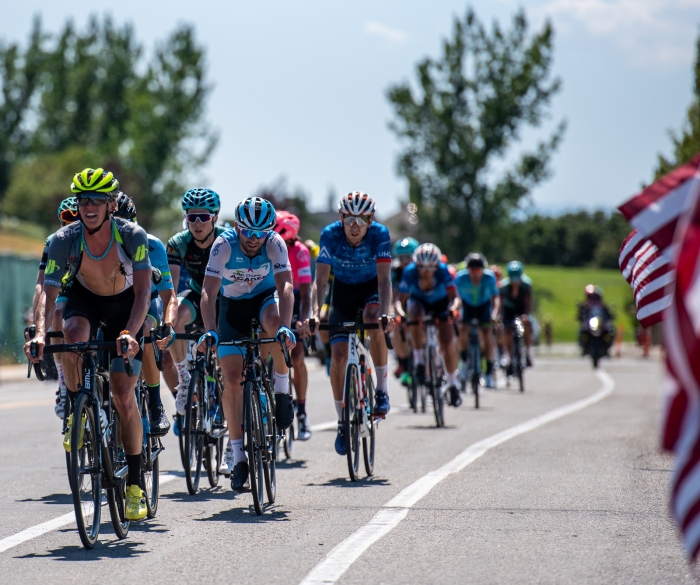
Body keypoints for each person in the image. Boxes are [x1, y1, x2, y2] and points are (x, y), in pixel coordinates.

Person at [25, 168, 151, 521]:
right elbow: (48, 294)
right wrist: (38, 333)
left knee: (123, 395)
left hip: (127, 305)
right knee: (72, 336)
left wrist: (129, 332)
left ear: (111, 204)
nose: (89, 207)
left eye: (97, 200)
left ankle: (135, 485)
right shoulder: (64, 239)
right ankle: (77, 410)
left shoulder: (132, 236)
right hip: (88, 300)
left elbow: (144, 292)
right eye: (83, 201)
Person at [198, 197, 296, 492]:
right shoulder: (223, 245)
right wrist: (211, 331)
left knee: (274, 324)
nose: (253, 239)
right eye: (247, 232)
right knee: (230, 380)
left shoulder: (274, 243)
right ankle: (239, 457)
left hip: (264, 299)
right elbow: (208, 292)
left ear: (269, 231)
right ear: (237, 227)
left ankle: (281, 390)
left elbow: (286, 286)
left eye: (260, 233)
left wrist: (286, 329)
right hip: (232, 307)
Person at [303, 191, 394, 456]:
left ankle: (381, 391)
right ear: (341, 218)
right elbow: (320, 282)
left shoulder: (380, 235)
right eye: (349, 219)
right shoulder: (330, 234)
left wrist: (386, 313)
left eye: (362, 219)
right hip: (342, 292)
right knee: (339, 356)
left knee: (372, 320)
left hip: (370, 289)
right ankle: (343, 420)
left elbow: (385, 280)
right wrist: (313, 312)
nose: (355, 226)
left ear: (370, 220)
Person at [113, 193, 177, 435]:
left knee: (147, 330)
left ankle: (154, 402)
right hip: (114, 305)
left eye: (124, 223)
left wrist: (169, 323)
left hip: (147, 303)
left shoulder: (152, 244)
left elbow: (168, 295)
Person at [166, 189, 229, 418]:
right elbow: (171, 289)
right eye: (192, 217)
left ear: (215, 217)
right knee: (174, 316)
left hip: (225, 299)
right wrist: (166, 319)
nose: (198, 223)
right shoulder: (178, 243)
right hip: (196, 294)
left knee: (226, 356)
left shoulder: (228, 239)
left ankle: (227, 394)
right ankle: (184, 380)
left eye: (204, 217)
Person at [32, 197, 79, 419]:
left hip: (93, 292)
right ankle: (62, 380)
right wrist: (37, 325)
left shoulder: (93, 237)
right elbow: (41, 285)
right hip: (66, 289)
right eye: (65, 220)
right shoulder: (54, 241)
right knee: (58, 313)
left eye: (75, 218)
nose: (70, 225)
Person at [398, 243, 461, 406]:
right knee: (414, 315)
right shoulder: (410, 272)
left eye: (430, 268)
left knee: (447, 342)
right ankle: (419, 361)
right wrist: (400, 313)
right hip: (420, 303)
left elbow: (455, 298)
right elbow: (400, 301)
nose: (425, 272)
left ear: (436, 266)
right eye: (421, 268)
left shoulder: (443, 270)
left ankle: (454, 384)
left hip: (441, 303)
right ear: (416, 265)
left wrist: (453, 309)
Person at [274, 210, 313, 440]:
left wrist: (303, 318)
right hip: (273, 296)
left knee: (297, 358)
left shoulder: (300, 252)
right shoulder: (266, 245)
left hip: (296, 297)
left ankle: (302, 411)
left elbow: (307, 293)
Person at [455, 253, 500, 389]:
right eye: (472, 270)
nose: (475, 273)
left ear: (483, 270)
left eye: (478, 270)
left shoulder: (489, 277)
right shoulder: (461, 277)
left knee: (487, 333)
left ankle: (488, 373)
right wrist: (455, 311)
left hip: (483, 306)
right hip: (467, 305)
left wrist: (495, 313)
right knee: (462, 329)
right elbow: (454, 295)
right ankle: (463, 363)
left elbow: (496, 298)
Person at [391, 237, 419, 386]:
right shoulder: (396, 271)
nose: (404, 261)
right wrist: (397, 313)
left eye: (408, 257)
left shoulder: (419, 269)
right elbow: (394, 296)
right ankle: (403, 363)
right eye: (401, 258)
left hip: (420, 303)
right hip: (403, 304)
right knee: (397, 327)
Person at [500, 260, 533, 367]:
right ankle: (508, 355)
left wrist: (525, 315)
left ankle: (528, 352)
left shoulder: (526, 285)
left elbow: (528, 303)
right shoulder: (504, 286)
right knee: (506, 329)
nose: (515, 281)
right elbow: (501, 303)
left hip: (521, 308)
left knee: (526, 324)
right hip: (509, 308)